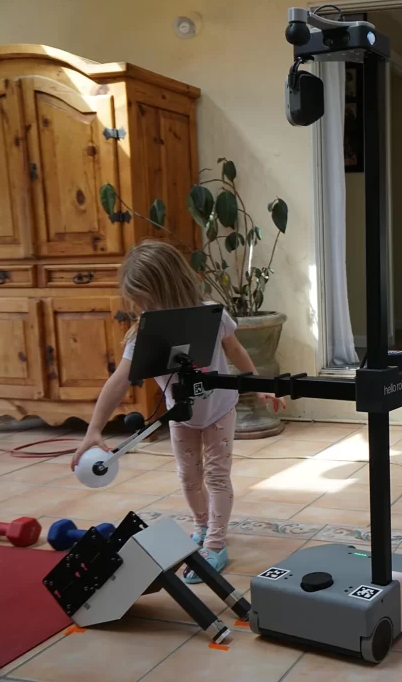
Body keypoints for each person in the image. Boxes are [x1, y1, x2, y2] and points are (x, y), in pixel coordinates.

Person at [70, 240, 287, 582]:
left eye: (145, 300)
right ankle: (202, 526)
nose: (141, 308)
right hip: (180, 414)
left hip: (219, 410)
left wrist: (258, 384)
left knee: (216, 476)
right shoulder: (141, 335)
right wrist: (93, 431)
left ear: (165, 288)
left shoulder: (214, 315)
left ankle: (216, 544)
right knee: (188, 478)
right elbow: (118, 381)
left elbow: (237, 350)